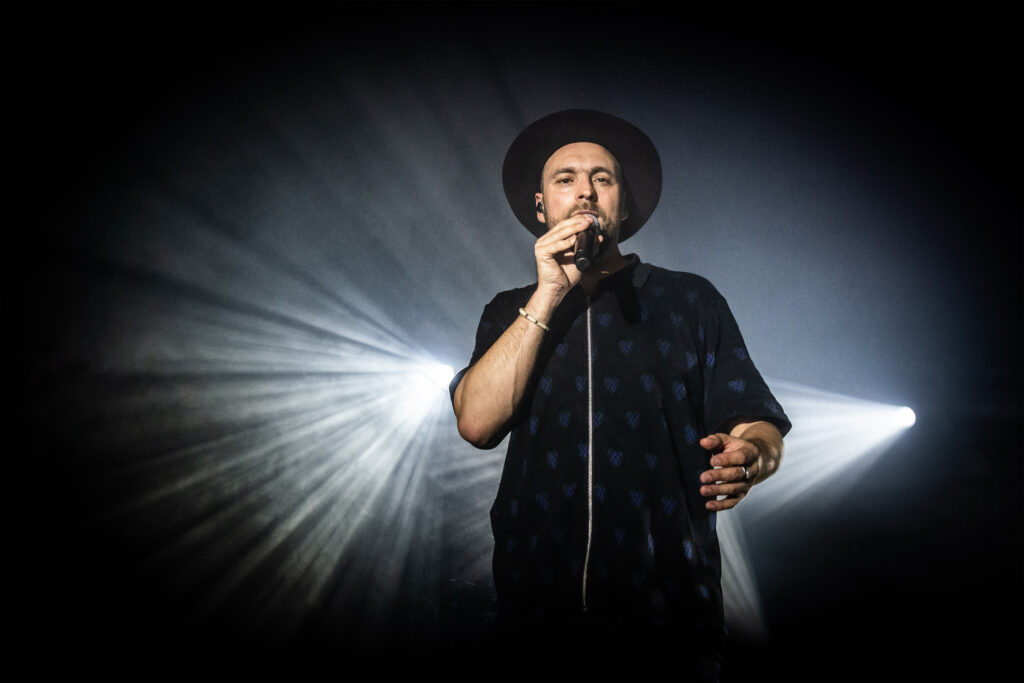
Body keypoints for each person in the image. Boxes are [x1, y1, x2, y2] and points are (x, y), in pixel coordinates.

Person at [449, 110, 791, 681]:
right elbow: (476, 424)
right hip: (535, 622)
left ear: (623, 206)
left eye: (602, 178)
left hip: (670, 623)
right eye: (566, 179)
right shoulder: (509, 310)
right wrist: (548, 293)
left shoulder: (689, 300)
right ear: (541, 208)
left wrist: (753, 456)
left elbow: (757, 419)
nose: (585, 190)